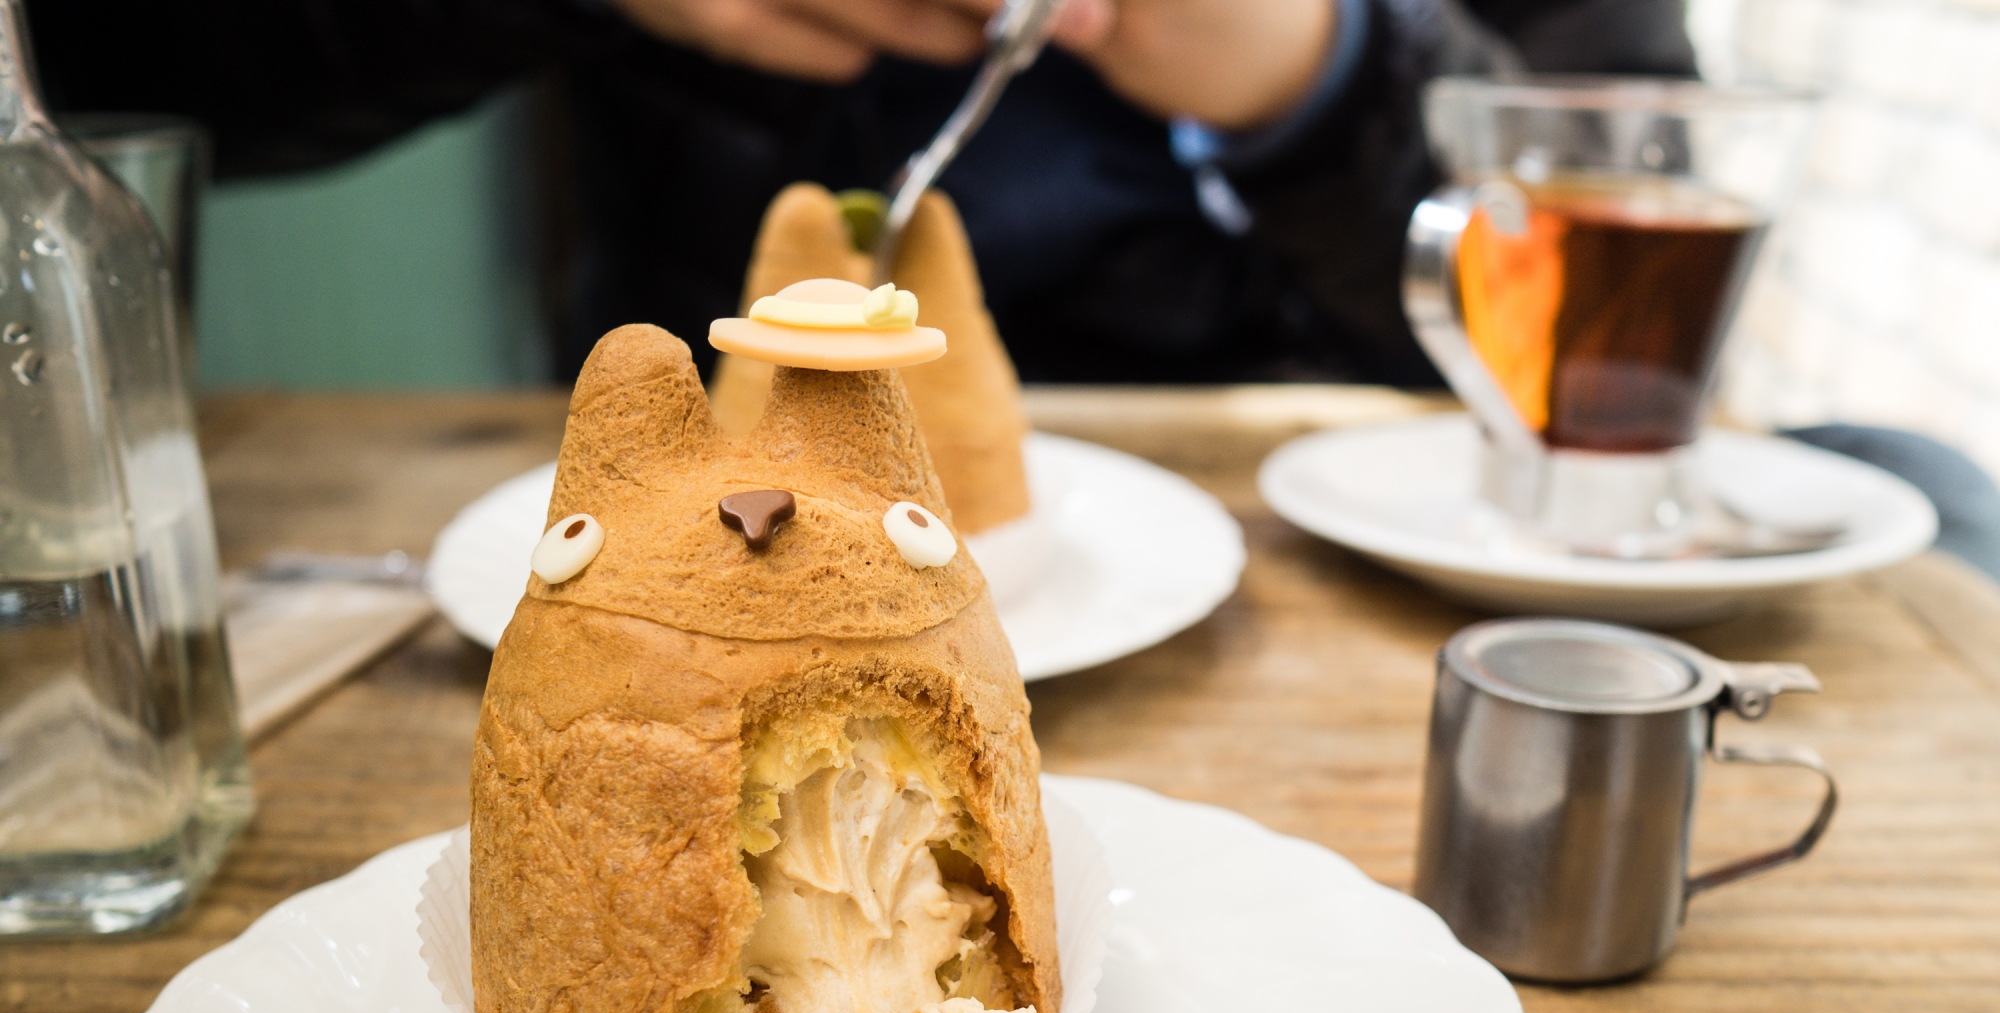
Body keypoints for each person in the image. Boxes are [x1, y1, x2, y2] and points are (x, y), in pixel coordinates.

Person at [30, 0, 1694, 385]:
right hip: (733, 508)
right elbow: (109, 55)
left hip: (1352, 486)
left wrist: (1312, 65)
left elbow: (1637, 286)